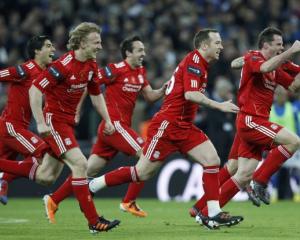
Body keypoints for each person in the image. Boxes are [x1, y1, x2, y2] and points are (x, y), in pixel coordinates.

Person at [89, 29, 243, 230]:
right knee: (141, 173)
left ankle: (212, 213)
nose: (221, 46)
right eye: (217, 42)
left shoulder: (202, 64)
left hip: (184, 127)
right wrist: (219, 104)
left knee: (212, 160)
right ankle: (94, 185)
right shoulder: (194, 63)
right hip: (167, 125)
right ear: (204, 45)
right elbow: (190, 95)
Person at [0, 22, 120, 233]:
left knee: (45, 177)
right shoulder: (63, 65)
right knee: (80, 164)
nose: (100, 46)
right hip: (54, 122)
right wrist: (40, 122)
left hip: (67, 124)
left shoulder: (91, 65)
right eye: (96, 42)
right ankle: (94, 221)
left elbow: (96, 94)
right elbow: (35, 91)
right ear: (82, 43)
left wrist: (108, 119)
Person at [43, 35, 167, 223]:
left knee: (87, 171)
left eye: (144, 50)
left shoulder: (141, 71)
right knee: (148, 155)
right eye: (140, 50)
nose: (144, 53)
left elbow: (149, 96)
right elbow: (89, 85)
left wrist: (163, 90)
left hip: (114, 129)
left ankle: (53, 199)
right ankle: (129, 201)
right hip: (114, 125)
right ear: (128, 53)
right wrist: (77, 109)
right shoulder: (114, 69)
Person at [192, 27, 300, 218]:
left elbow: (293, 86)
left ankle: (203, 210)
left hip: (254, 122)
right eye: (278, 45)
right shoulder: (254, 57)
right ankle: (260, 181)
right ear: (266, 45)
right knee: (293, 141)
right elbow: (264, 67)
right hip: (250, 120)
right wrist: (292, 51)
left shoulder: (276, 66)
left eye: (283, 45)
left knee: (238, 172)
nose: (282, 48)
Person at [0, 35, 55, 205]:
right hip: (11, 127)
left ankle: (3, 180)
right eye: (48, 46)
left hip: (18, 129)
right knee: (45, 152)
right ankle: (3, 180)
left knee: (13, 163)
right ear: (37, 51)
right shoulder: (24, 70)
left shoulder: (47, 72)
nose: (53, 49)